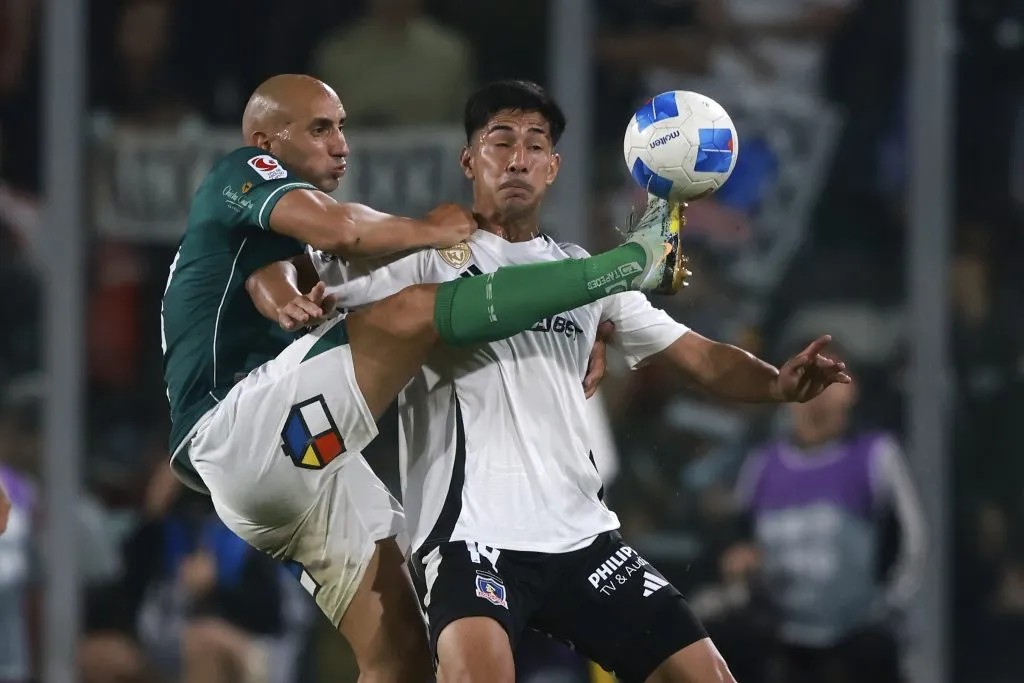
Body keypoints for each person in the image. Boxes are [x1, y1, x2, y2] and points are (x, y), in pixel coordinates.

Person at [249, 79, 850, 683]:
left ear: (553, 167)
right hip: (471, 538)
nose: (518, 158)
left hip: (584, 537)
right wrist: (284, 291)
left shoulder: (580, 274)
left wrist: (776, 384)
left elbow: (700, 357)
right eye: (500, 141)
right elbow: (301, 258)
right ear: (468, 161)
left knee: (707, 677)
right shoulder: (419, 262)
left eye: (536, 145)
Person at [160, 74, 688, 682]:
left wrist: (581, 321)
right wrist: (435, 230)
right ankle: (626, 264)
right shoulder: (241, 169)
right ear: (265, 139)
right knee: (415, 308)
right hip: (238, 431)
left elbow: (271, 276)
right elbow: (342, 230)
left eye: (342, 127)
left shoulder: (268, 238)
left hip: (297, 472)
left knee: (403, 659)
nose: (341, 145)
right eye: (320, 128)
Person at [725, 346, 925, 683]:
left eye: (829, 381)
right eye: (806, 379)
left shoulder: (876, 457)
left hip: (857, 637)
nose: (818, 396)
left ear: (852, 390)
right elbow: (738, 545)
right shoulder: (761, 466)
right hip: (779, 641)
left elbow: (912, 543)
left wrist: (884, 607)